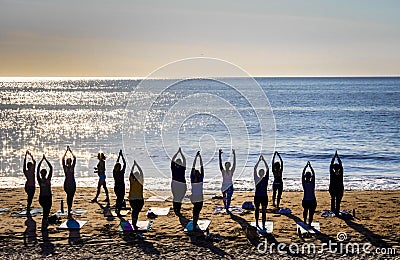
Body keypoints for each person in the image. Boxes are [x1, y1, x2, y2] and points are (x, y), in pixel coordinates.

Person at [37, 154, 53, 226]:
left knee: (47, 210)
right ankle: (44, 221)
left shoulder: (48, 179)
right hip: (43, 197)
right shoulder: (40, 180)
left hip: (48, 197)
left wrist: (44, 160)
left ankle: (45, 220)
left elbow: (51, 168)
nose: (43, 174)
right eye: (42, 173)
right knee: (46, 210)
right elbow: (37, 169)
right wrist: (42, 161)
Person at [254, 155, 269, 230]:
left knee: (257, 209)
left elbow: (254, 168)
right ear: (263, 174)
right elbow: (268, 169)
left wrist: (259, 161)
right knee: (263, 211)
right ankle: (262, 224)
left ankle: (257, 222)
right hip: (263, 197)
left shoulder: (256, 179)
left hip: (257, 196)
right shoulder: (265, 179)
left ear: (259, 174)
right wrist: (264, 160)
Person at [171, 147, 187, 216]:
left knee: (176, 196)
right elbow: (184, 160)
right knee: (180, 197)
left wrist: (177, 153)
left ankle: (176, 209)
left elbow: (172, 160)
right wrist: (181, 153)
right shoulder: (182, 168)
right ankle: (178, 210)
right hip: (182, 184)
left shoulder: (173, 168)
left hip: (175, 183)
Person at [128, 160, 144, 231]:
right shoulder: (141, 181)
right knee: (136, 211)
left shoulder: (132, 180)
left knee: (135, 211)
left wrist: (133, 166)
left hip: (132, 199)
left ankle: (134, 222)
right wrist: (137, 165)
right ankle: (134, 223)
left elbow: (131, 174)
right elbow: (141, 172)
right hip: (139, 199)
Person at [219, 148, 236, 213]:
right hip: (224, 186)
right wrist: (219, 155)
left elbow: (234, 164)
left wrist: (234, 154)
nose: (227, 166)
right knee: (224, 197)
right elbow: (220, 164)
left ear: (229, 166)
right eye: (226, 165)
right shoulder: (223, 171)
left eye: (228, 165)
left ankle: (227, 207)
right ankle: (225, 205)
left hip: (230, 185)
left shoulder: (231, 171)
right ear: (225, 166)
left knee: (229, 197)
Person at [190, 151, 204, 231]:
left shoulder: (193, 180)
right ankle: (195, 224)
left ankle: (195, 223)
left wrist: (196, 157)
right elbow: (202, 167)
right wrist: (200, 157)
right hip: (199, 197)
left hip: (194, 197)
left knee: (195, 211)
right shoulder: (200, 179)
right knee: (197, 212)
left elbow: (193, 167)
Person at [62, 146, 76, 219]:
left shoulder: (66, 168)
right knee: (71, 196)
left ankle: (69, 208)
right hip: (71, 183)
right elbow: (75, 158)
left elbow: (62, 159)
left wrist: (66, 152)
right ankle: (69, 208)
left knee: (69, 196)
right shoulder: (71, 168)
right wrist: (70, 151)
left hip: (67, 183)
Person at [302, 161, 317, 226]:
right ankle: (309, 223)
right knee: (311, 213)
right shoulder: (312, 183)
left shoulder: (304, 184)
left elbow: (302, 175)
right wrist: (310, 167)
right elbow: (314, 174)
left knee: (305, 211)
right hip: (312, 200)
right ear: (310, 177)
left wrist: (306, 167)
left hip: (306, 200)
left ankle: (305, 221)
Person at [329, 151, 344, 216]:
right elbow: (341, 165)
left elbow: (331, 165)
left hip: (332, 188)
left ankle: (333, 209)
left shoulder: (332, 174)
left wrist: (334, 157)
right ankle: (336, 211)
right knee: (338, 200)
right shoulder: (340, 174)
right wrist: (337, 158)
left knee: (333, 198)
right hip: (339, 188)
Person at [113, 149, 126, 218]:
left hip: (116, 187)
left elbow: (117, 162)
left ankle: (117, 209)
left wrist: (119, 156)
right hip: (121, 187)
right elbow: (125, 164)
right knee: (120, 199)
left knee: (119, 199)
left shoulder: (114, 172)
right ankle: (118, 211)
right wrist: (122, 156)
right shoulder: (121, 173)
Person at [23, 150, 36, 214]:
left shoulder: (27, 172)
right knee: (30, 197)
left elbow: (34, 162)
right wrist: (28, 156)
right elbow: (24, 165)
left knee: (30, 197)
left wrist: (28, 156)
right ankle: (28, 207)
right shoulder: (29, 171)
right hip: (30, 186)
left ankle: (28, 206)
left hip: (29, 186)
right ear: (30, 166)